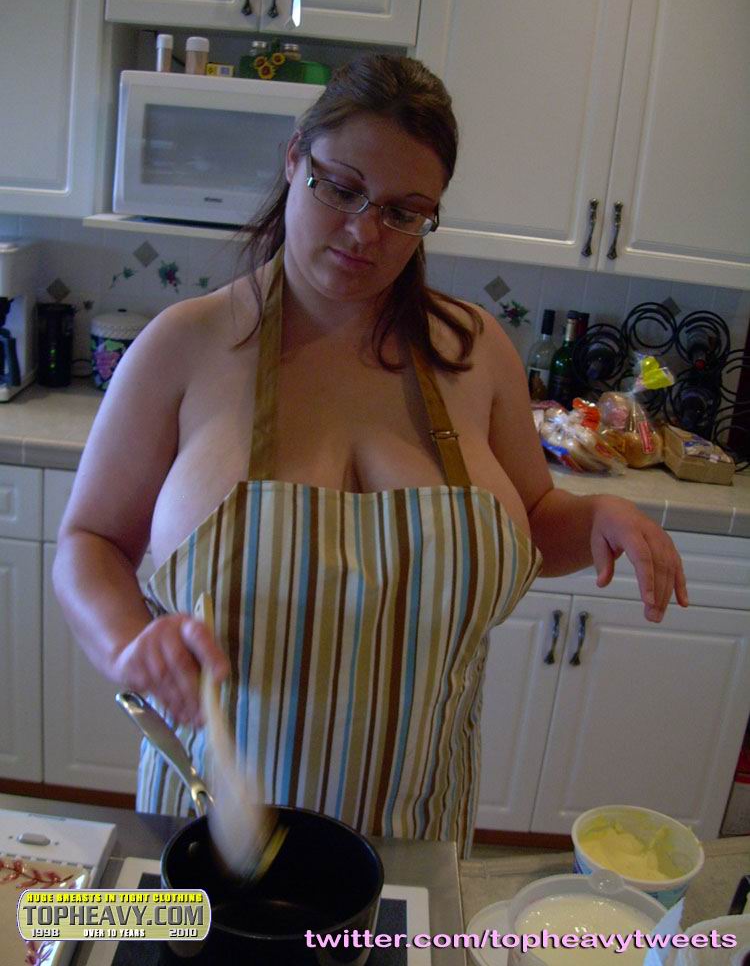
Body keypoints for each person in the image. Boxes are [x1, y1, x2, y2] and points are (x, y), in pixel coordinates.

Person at [54, 54, 688, 857]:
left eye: (404, 212)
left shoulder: (475, 352)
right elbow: (89, 542)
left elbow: (531, 520)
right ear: (295, 159)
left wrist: (599, 518)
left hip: (416, 843)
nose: (364, 232)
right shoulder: (186, 346)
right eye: (341, 189)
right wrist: (124, 642)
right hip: (214, 832)